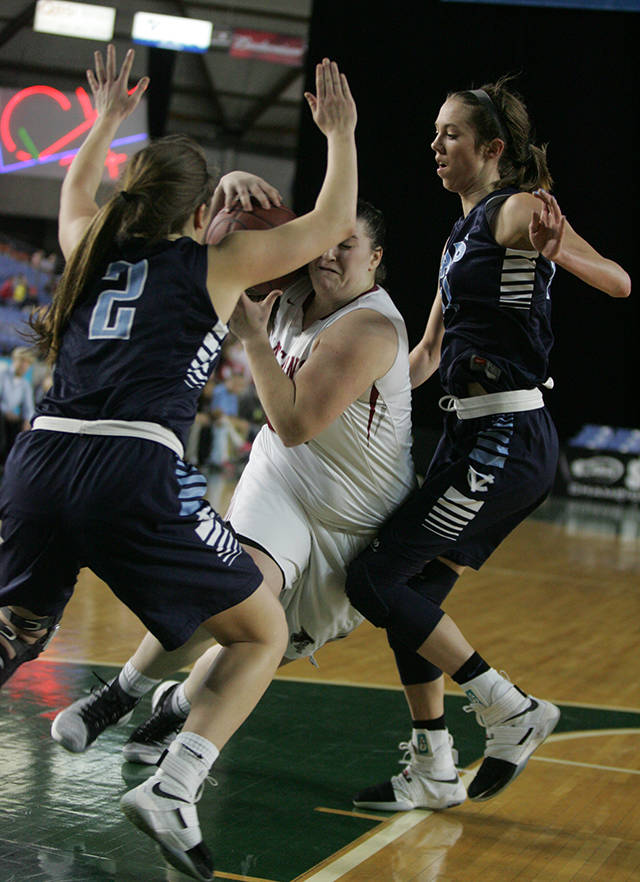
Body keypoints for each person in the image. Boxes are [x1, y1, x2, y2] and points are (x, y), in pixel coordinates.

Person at [0, 44, 358, 882]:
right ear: (202, 213)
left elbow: (72, 194)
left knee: (11, 631)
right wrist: (339, 134)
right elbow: (333, 223)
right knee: (261, 625)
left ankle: (119, 707)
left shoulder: (88, 247)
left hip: (40, 458)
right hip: (132, 470)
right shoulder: (215, 262)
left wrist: (104, 123)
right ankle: (177, 782)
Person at [49, 195, 426, 787]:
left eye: (346, 246)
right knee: (234, 590)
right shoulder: (296, 274)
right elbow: (238, 230)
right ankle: (117, 699)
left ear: (376, 258)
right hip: (281, 479)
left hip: (353, 519)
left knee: (258, 646)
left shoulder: (372, 328)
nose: (329, 254)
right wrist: (240, 182)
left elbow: (297, 424)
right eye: (325, 241)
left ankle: (172, 710)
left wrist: (253, 339)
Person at [343, 78, 631, 812]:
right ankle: (435, 767)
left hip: (506, 432)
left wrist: (561, 252)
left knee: (374, 582)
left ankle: (510, 707)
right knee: (413, 598)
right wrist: (353, 408)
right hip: (470, 433)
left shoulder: (519, 209)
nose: (435, 145)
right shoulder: (458, 235)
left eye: (451, 135)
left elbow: (620, 283)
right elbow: (430, 351)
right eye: (435, 133)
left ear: (492, 149)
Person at [0, 346, 35, 465]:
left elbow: (28, 408)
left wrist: (27, 421)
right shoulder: (2, 374)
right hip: (2, 415)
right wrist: (5, 411)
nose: (23, 365)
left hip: (10, 418)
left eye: (27, 363)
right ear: (14, 360)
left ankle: (8, 462)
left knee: (22, 426)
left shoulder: (25, 385)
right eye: (21, 361)